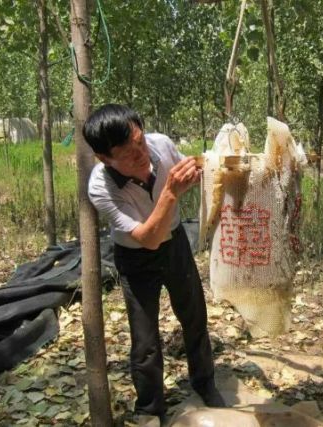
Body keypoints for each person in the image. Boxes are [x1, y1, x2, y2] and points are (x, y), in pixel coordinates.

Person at [83, 104, 225, 420]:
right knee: (145, 339)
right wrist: (171, 193)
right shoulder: (100, 187)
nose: (141, 154)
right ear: (105, 158)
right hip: (136, 257)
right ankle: (150, 408)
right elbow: (147, 238)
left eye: (140, 141)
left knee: (194, 317)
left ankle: (205, 383)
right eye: (127, 153)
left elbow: (200, 173)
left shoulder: (161, 144)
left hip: (175, 244)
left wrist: (221, 169)